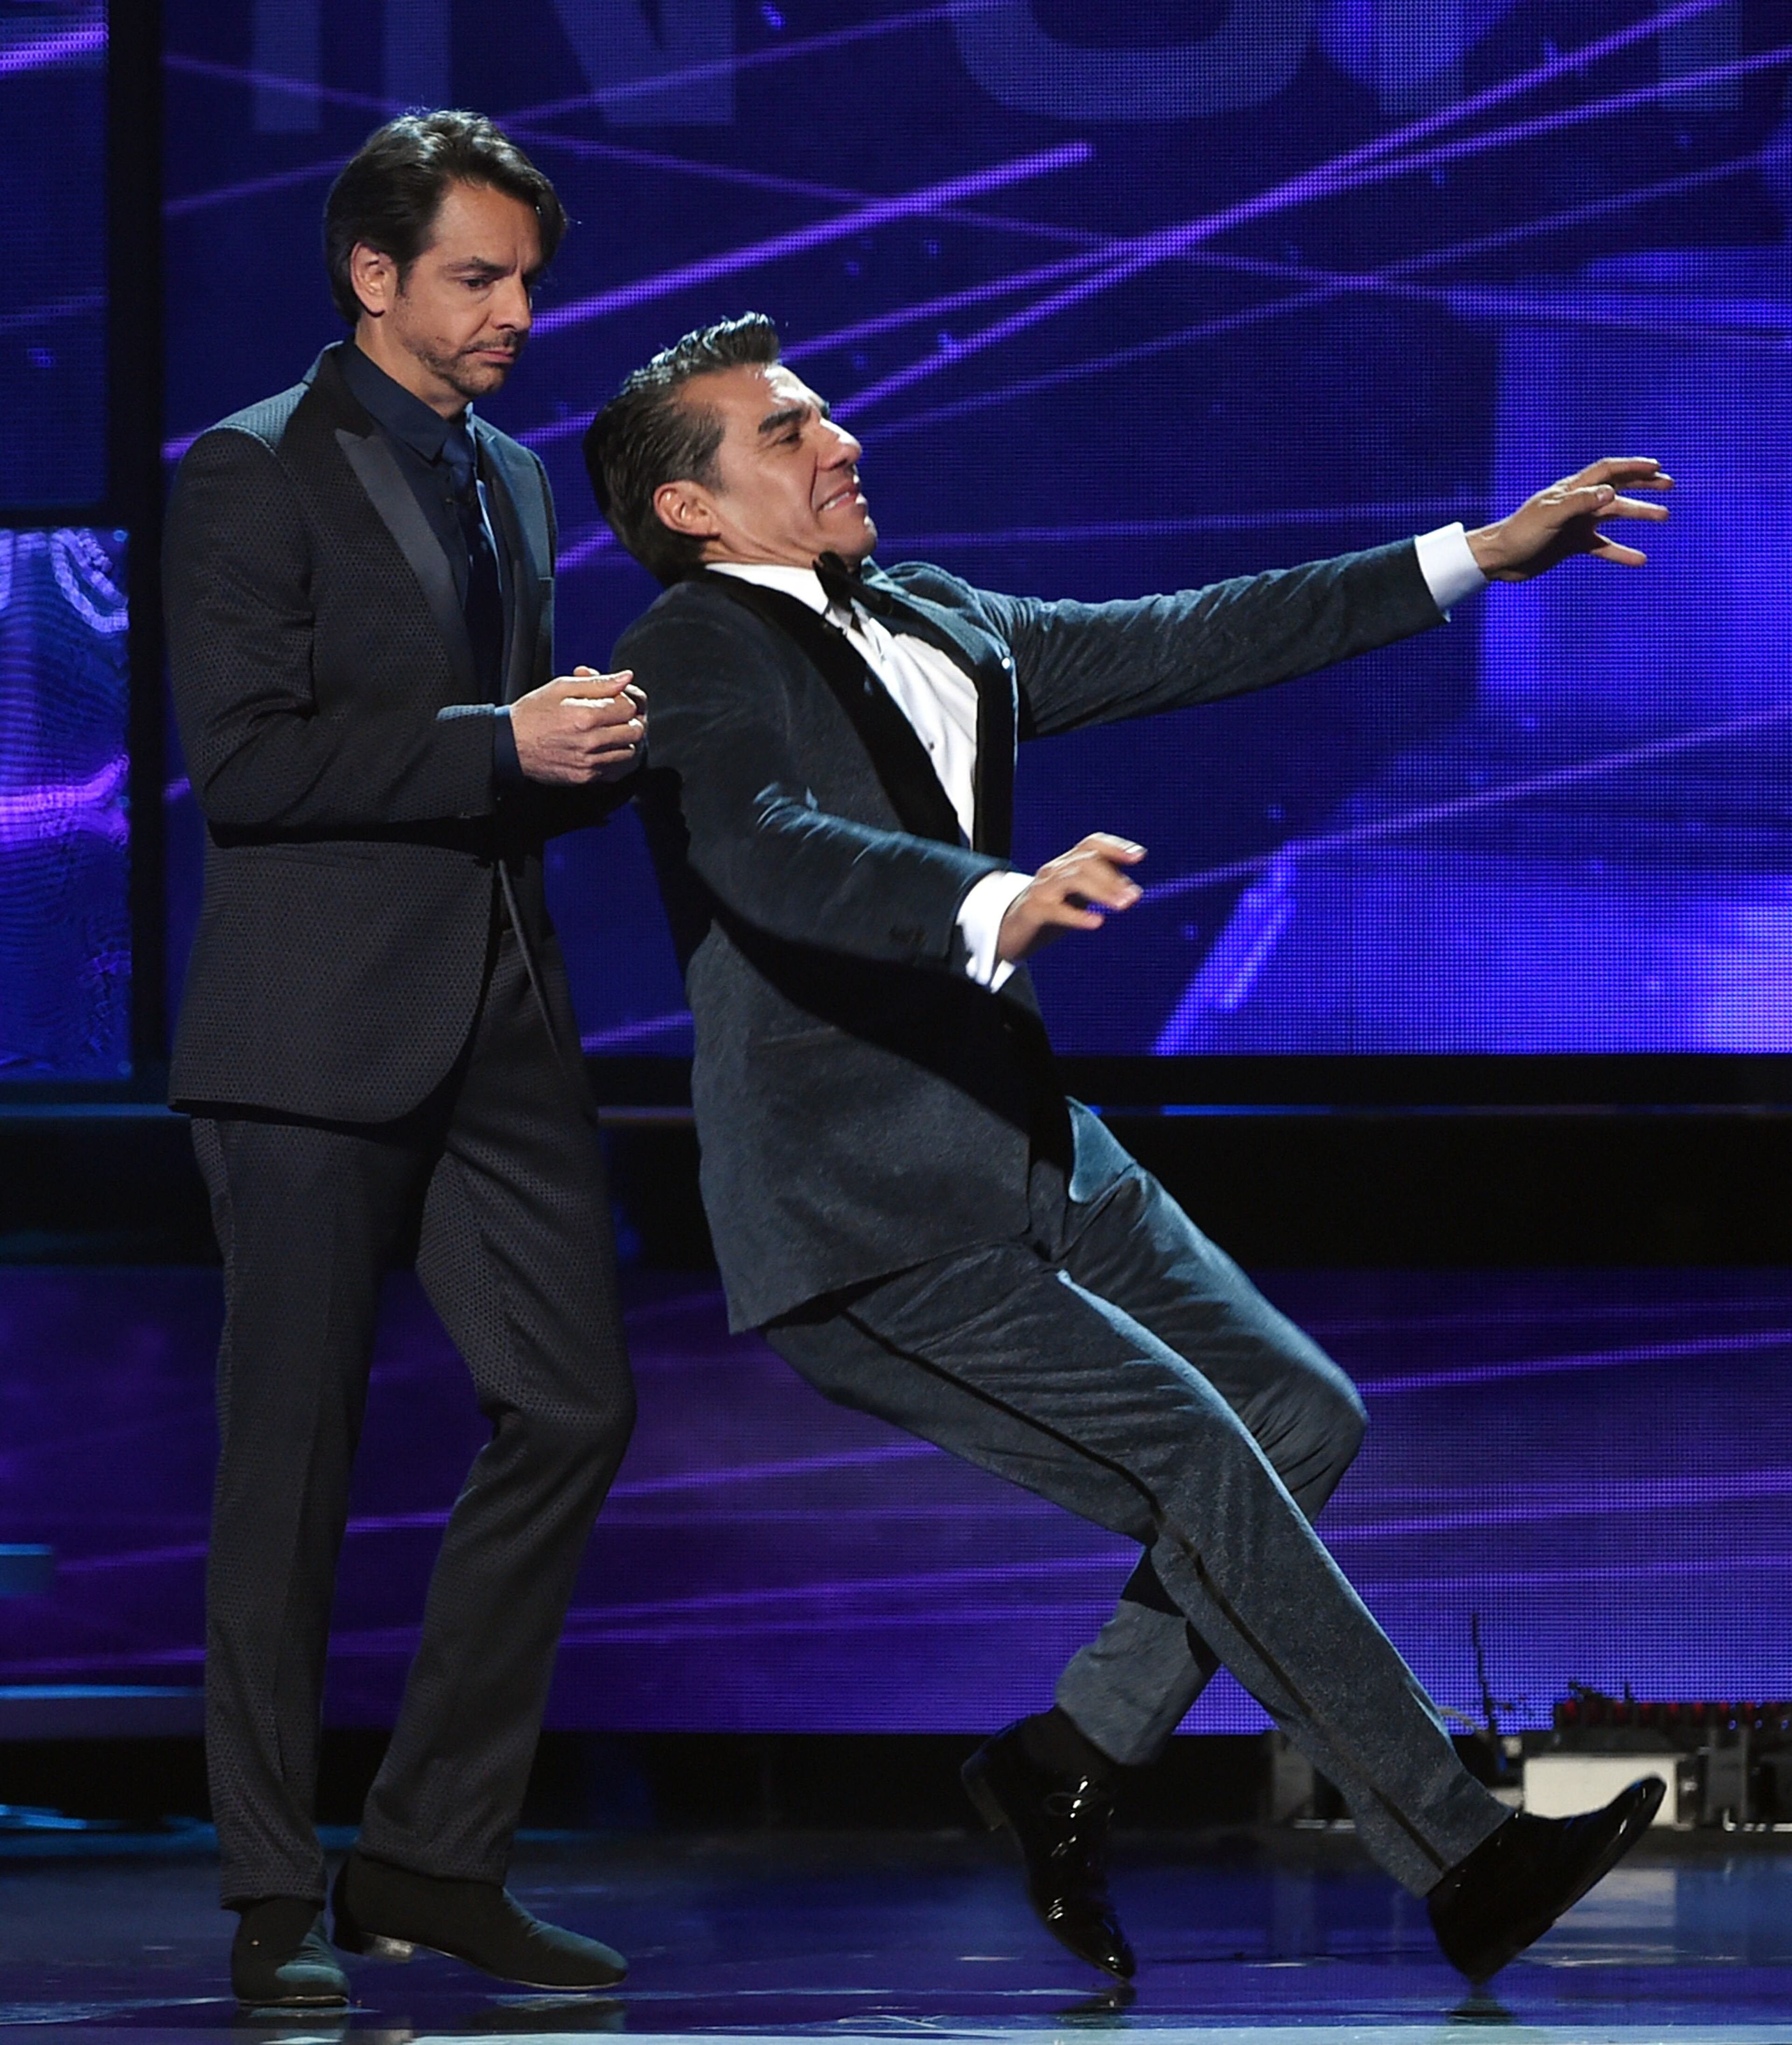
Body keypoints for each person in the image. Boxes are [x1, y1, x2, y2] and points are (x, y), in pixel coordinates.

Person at [582, 312, 1673, 1987]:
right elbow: (769, 850)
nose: (838, 442)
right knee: (1206, 1460)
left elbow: (1192, 634)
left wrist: (1477, 555)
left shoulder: (935, 610)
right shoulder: (694, 654)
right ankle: (1465, 1854)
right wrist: (984, 900)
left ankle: (1069, 1758)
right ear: (696, 512)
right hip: (864, 1208)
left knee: (1302, 1413)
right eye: (786, 435)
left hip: (1025, 1144)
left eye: (824, 415)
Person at [163, 112, 646, 2011]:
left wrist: (591, 750)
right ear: (373, 276)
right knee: (289, 1468)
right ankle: (276, 1882)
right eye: (480, 277)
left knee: (577, 1408)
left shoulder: (513, 477)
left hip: (504, 1019)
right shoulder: (249, 474)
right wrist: (495, 746)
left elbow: (506, 752)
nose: (518, 310)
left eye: (527, 277)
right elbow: (256, 766)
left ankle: (433, 1857)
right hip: (308, 1037)